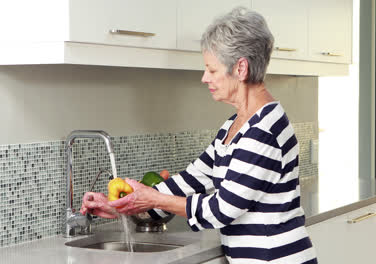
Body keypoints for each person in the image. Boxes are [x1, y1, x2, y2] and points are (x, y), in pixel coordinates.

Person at [80, 7, 317, 264]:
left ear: (240, 68)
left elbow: (221, 209)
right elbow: (193, 179)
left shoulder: (264, 130)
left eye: (212, 70)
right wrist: (124, 206)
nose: (205, 78)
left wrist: (152, 198)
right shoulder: (236, 125)